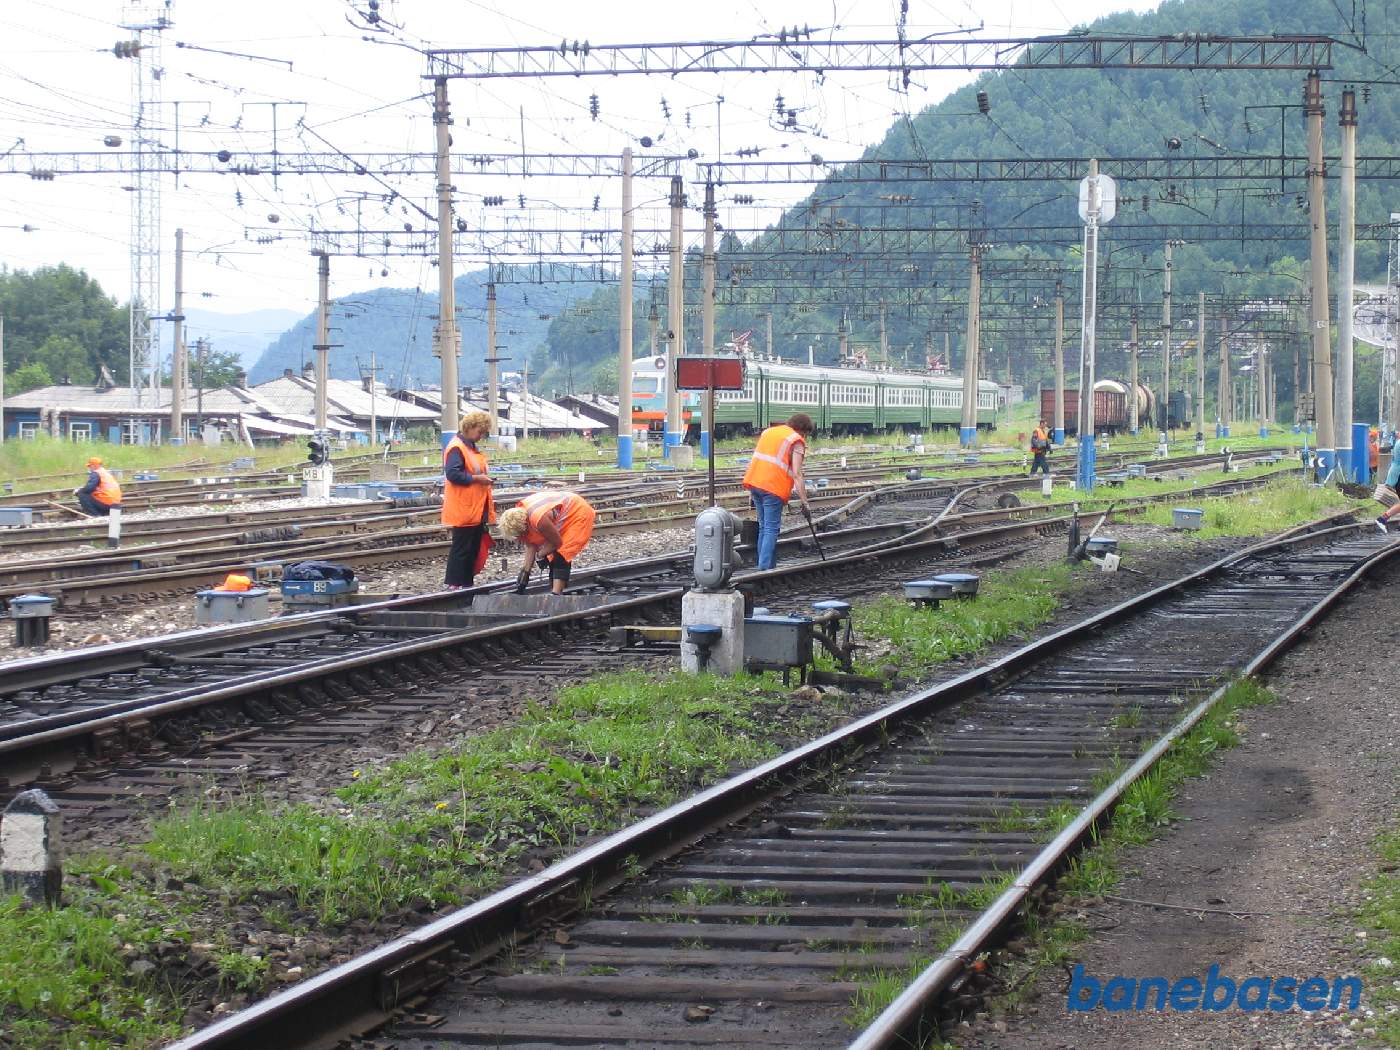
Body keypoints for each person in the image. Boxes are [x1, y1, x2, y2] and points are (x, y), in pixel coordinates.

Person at [742, 412, 814, 571]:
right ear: (802, 430)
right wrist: (805, 502)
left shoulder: (769, 432)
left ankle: (767, 566)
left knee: (763, 526)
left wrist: (750, 494)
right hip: (772, 488)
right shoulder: (796, 441)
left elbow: (759, 459)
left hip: (755, 483)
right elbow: (797, 473)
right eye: (806, 434)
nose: (805, 437)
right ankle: (764, 569)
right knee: (771, 528)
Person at [498, 489, 597, 594]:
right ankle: (555, 587)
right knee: (551, 555)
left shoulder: (539, 520)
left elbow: (557, 543)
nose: (519, 538)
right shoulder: (521, 515)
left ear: (523, 528)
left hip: (578, 513)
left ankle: (556, 594)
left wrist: (540, 555)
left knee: (562, 553)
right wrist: (524, 574)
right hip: (565, 512)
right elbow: (531, 546)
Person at [442, 411, 495, 589]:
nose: (481, 436)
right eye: (480, 432)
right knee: (462, 549)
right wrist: (477, 479)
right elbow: (452, 474)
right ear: (470, 427)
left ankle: (466, 584)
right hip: (465, 508)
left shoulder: (470, 447)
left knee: (471, 548)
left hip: (475, 508)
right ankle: (455, 584)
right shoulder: (457, 447)